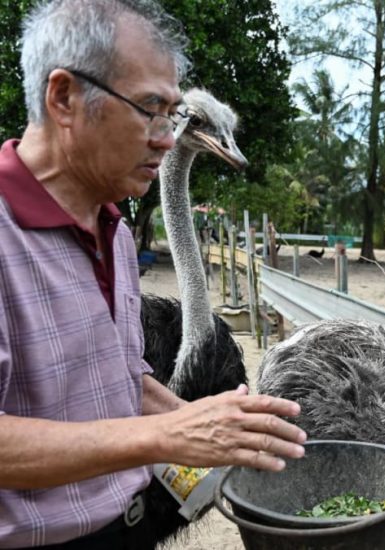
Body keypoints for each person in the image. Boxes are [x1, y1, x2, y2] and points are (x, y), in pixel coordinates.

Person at [0, 1, 306, 548]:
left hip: (128, 526)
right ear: (65, 97)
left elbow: (117, 378)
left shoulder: (113, 232)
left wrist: (218, 428)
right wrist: (164, 433)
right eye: (150, 109)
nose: (166, 137)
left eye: (171, 115)